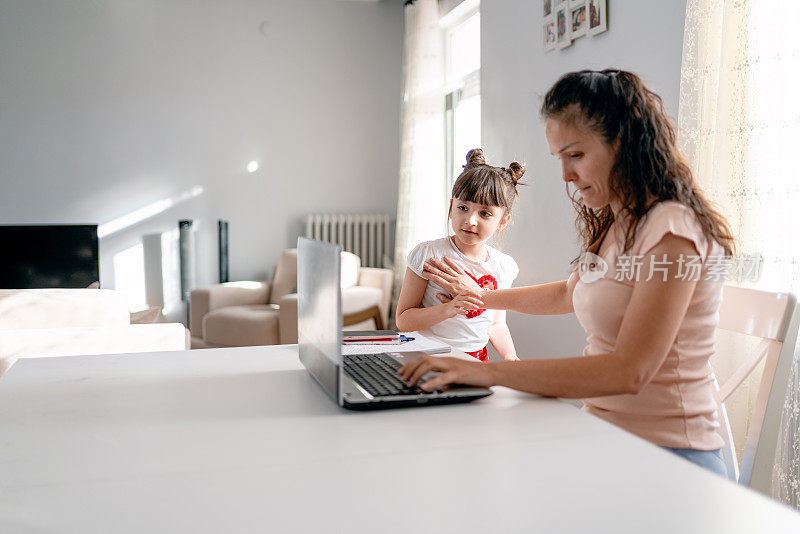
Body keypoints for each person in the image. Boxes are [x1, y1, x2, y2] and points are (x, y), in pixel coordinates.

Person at [399, 69, 735, 476]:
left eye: (576, 155)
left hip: (667, 454)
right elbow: (565, 295)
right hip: (604, 431)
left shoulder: (672, 231)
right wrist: (479, 297)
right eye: (560, 158)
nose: (566, 176)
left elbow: (630, 371)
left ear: (624, 144)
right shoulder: (618, 222)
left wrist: (486, 371)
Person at [395, 148, 525, 362]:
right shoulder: (429, 254)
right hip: (426, 358)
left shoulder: (504, 266)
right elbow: (404, 319)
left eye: (484, 213)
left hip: (475, 361)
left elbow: (496, 324)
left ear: (503, 221)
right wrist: (448, 309)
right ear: (451, 207)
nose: (470, 220)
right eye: (463, 207)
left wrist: (511, 357)